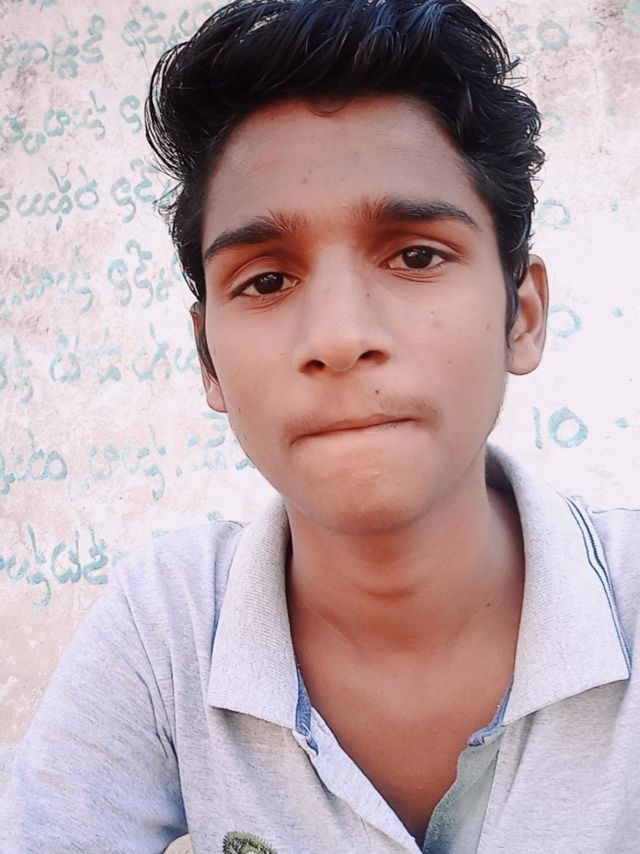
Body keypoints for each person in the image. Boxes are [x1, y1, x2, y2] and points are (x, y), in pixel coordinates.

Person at [1, 1, 638, 852]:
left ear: (520, 316)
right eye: (266, 281)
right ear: (208, 359)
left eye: (416, 255)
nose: (339, 337)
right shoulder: (172, 623)